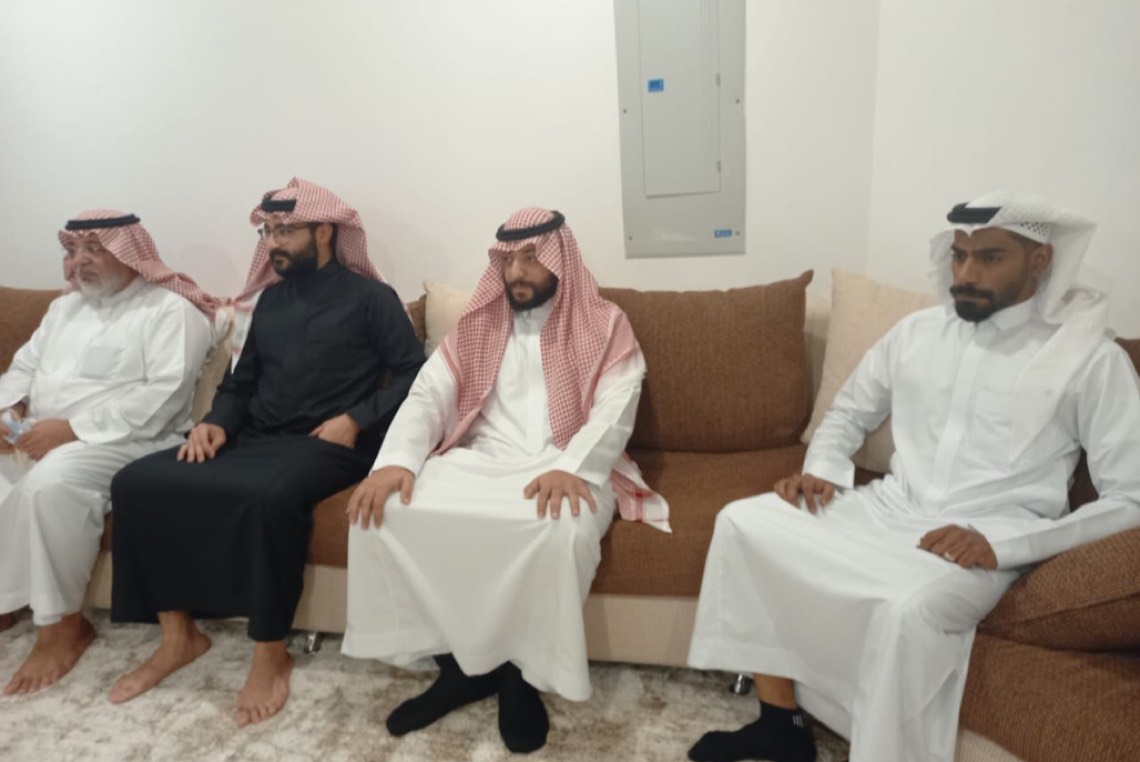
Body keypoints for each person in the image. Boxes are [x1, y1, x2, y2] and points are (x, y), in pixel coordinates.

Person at [685, 192, 1140, 762]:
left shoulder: (1090, 358)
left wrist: (1004, 546)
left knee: (909, 610)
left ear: (1040, 259)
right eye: (958, 255)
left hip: (983, 541)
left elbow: (1131, 497)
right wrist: (823, 472)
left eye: (990, 257)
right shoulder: (917, 332)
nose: (966, 274)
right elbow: (848, 413)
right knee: (743, 522)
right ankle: (781, 722)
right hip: (888, 508)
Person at [342, 208, 669, 753]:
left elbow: (617, 405)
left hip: (569, 462)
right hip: (482, 459)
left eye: (531, 257)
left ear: (559, 259)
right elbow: (428, 395)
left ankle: (520, 677)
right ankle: (457, 669)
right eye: (508, 259)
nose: (516, 271)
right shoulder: (480, 324)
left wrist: (571, 468)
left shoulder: (603, 323)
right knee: (386, 509)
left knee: (558, 529)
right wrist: (396, 460)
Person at [108, 178, 425, 726]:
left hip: (330, 443)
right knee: (137, 482)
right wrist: (215, 423)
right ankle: (179, 637)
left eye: (285, 231)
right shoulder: (271, 302)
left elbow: (413, 374)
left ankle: (270, 649)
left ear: (324, 232)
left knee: (271, 497)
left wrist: (356, 419)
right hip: (256, 436)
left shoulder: (373, 299)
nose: (273, 242)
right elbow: (241, 382)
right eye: (268, 231)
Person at [0, 210, 217, 695]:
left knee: (50, 486)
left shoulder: (169, 311)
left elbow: (164, 398)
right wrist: (10, 409)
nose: (79, 262)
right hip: (40, 433)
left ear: (130, 253)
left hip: (132, 440)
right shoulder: (63, 310)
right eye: (72, 251)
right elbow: (23, 368)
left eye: (94, 250)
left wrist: (72, 430)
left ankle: (62, 627)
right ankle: (6, 600)